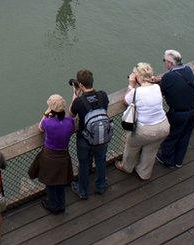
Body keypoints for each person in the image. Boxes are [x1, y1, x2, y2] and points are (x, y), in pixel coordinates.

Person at [115, 63, 170, 180]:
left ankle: (127, 167)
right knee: (151, 150)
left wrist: (131, 84)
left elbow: (126, 101)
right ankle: (144, 173)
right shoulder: (157, 87)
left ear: (137, 77)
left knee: (131, 147)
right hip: (163, 127)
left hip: (145, 130)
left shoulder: (136, 92)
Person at [69, 69, 111, 199]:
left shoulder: (79, 102)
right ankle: (101, 185)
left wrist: (75, 95)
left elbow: (71, 115)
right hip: (102, 136)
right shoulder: (103, 95)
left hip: (84, 139)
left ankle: (83, 191)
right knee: (101, 159)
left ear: (80, 85)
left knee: (83, 163)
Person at [31, 95, 74, 214]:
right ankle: (61, 204)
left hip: (49, 156)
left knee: (50, 182)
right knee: (60, 180)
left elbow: (40, 128)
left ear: (51, 109)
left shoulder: (47, 122)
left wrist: (46, 114)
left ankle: (53, 205)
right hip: (63, 155)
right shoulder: (70, 122)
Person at [155, 50, 194, 169]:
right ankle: (178, 161)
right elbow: (174, 81)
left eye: (165, 61)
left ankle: (167, 160)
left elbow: (159, 92)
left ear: (170, 63)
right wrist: (162, 79)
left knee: (171, 136)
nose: (165, 63)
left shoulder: (168, 77)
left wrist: (157, 81)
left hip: (179, 114)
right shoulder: (188, 70)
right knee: (185, 135)